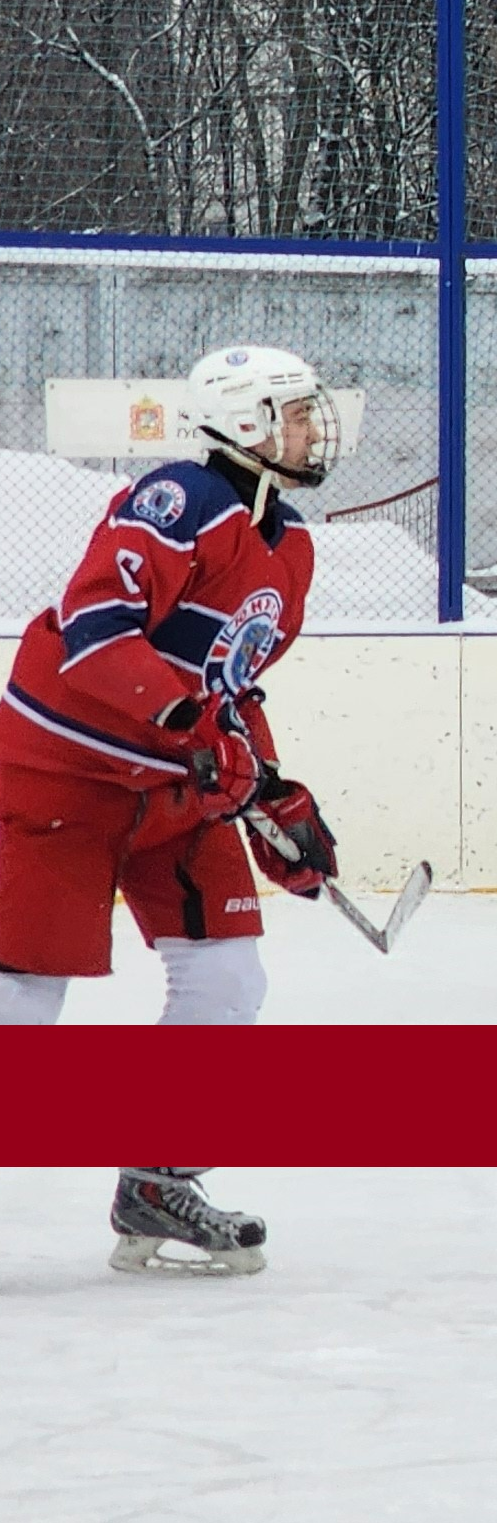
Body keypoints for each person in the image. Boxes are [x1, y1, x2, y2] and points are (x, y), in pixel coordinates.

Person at [0, 345, 350, 1274]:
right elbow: (92, 630)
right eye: (297, 412)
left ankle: (158, 1179)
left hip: (170, 787)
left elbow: (230, 686)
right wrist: (194, 726)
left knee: (229, 980)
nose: (316, 428)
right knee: (23, 1003)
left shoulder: (294, 543)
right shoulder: (178, 502)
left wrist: (274, 795)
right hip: (62, 778)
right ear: (245, 423)